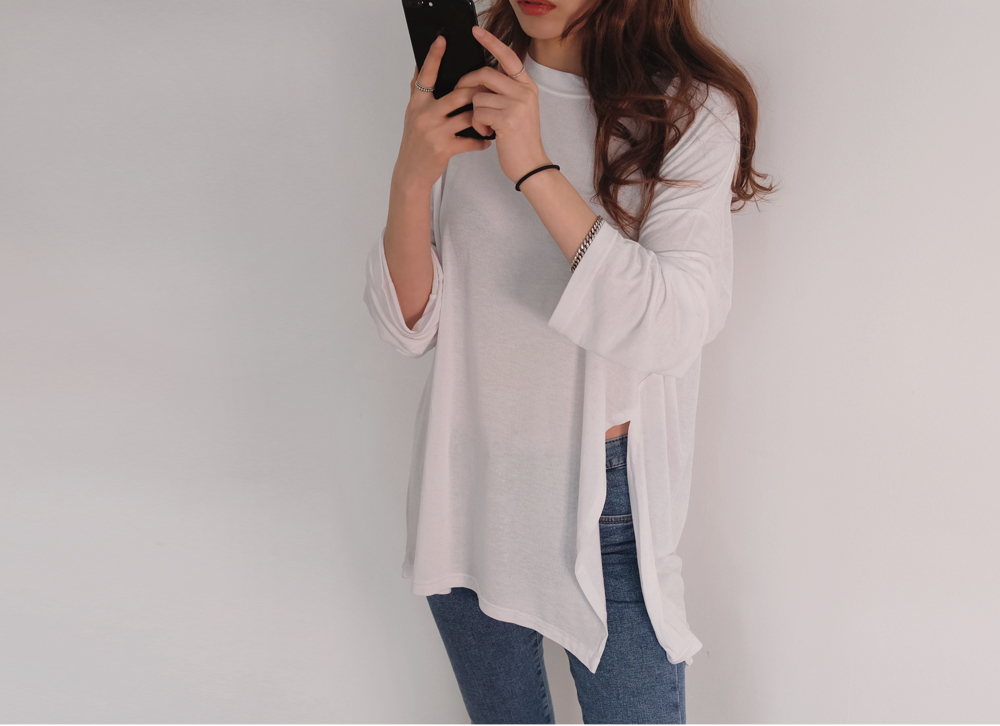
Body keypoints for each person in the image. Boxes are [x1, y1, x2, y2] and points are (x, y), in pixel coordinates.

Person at [363, 0, 776, 722]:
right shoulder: (478, 81)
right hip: (464, 483)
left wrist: (533, 165)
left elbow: (671, 327)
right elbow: (410, 328)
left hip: (605, 505)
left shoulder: (687, 111)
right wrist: (410, 177)